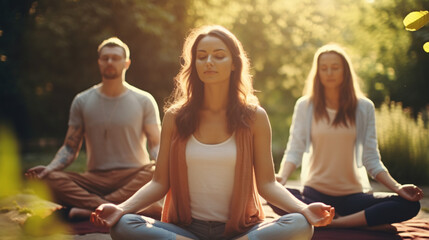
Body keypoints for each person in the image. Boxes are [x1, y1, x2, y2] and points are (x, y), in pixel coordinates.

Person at [90, 25, 334, 240]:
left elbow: (268, 184)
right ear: (193, 64)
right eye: (201, 56)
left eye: (218, 56)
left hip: (240, 229)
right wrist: (121, 208)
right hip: (187, 229)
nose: (209, 62)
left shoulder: (254, 118)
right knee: (123, 226)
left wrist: (303, 209)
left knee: (301, 226)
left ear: (234, 64)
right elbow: (159, 182)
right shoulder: (175, 117)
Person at [273, 43, 423, 228]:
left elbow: (371, 159)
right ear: (317, 72)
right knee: (273, 195)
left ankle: (335, 223)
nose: (329, 73)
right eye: (324, 68)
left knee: (409, 204)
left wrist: (398, 187)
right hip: (313, 195)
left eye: (335, 68)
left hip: (353, 197)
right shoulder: (305, 106)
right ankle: (349, 220)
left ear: (345, 71)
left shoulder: (364, 107)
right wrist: (281, 178)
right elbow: (295, 150)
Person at [25, 37, 162, 220]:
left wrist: (163, 166)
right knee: (47, 180)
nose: (110, 62)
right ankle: (116, 209)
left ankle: (90, 210)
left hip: (133, 175)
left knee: (156, 171)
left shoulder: (144, 100)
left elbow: (155, 144)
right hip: (94, 179)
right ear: (99, 62)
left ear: (126, 63)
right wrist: (49, 168)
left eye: (115, 58)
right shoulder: (82, 100)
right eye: (105, 58)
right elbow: (69, 147)